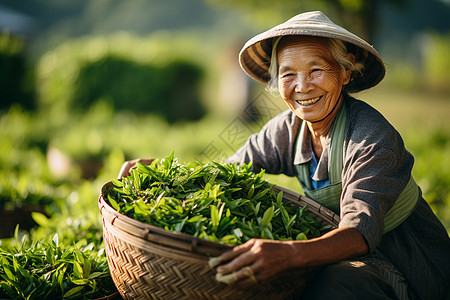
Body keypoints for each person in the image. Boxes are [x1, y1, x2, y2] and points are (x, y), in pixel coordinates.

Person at [117, 11, 450, 300]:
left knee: (332, 287)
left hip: (404, 261)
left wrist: (289, 253)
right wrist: (163, 171)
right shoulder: (287, 130)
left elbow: (360, 233)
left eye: (317, 70)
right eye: (288, 74)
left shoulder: (371, 138)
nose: (302, 87)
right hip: (341, 250)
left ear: (346, 74)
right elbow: (228, 171)